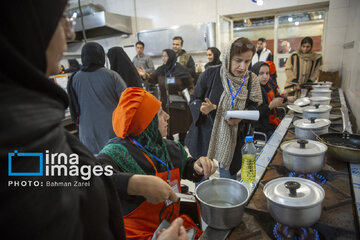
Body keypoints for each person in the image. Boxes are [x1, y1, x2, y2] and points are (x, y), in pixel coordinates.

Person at [0, 1, 188, 239]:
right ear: (28, 27)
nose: (70, 33)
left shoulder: (36, 117)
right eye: (63, 18)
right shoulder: (19, 138)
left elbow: (69, 172)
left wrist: (132, 183)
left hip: (89, 131)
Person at [98, 87, 217, 239]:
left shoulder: (165, 146)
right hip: (137, 234)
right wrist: (135, 183)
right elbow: (92, 178)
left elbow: (183, 166)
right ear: (146, 123)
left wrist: (195, 165)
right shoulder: (116, 154)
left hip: (171, 224)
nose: (167, 116)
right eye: (160, 114)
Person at [185, 37, 263, 180]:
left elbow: (255, 107)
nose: (243, 67)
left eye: (247, 61)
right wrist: (202, 110)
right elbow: (194, 99)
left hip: (233, 138)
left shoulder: (251, 79)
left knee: (229, 179)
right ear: (228, 58)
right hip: (206, 134)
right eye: (238, 60)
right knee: (203, 175)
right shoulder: (210, 74)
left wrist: (242, 116)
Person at [67, 42, 127, 155]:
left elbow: (73, 110)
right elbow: (126, 103)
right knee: (114, 163)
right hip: (111, 131)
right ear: (101, 56)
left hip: (86, 133)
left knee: (94, 165)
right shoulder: (112, 76)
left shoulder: (74, 79)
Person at [141, 49, 193, 145]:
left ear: (171, 57)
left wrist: (184, 93)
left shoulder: (181, 70)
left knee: (181, 124)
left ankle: (182, 142)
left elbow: (191, 86)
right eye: (162, 56)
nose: (163, 58)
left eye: (166, 56)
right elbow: (151, 79)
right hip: (166, 104)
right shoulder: (161, 70)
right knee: (168, 125)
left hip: (180, 104)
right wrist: (145, 76)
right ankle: (171, 144)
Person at [251, 62, 286, 138]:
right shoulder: (253, 91)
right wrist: (270, 106)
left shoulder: (268, 85)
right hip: (261, 130)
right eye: (261, 73)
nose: (265, 76)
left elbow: (277, 97)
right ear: (254, 74)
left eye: (267, 73)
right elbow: (255, 113)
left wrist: (285, 98)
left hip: (271, 124)